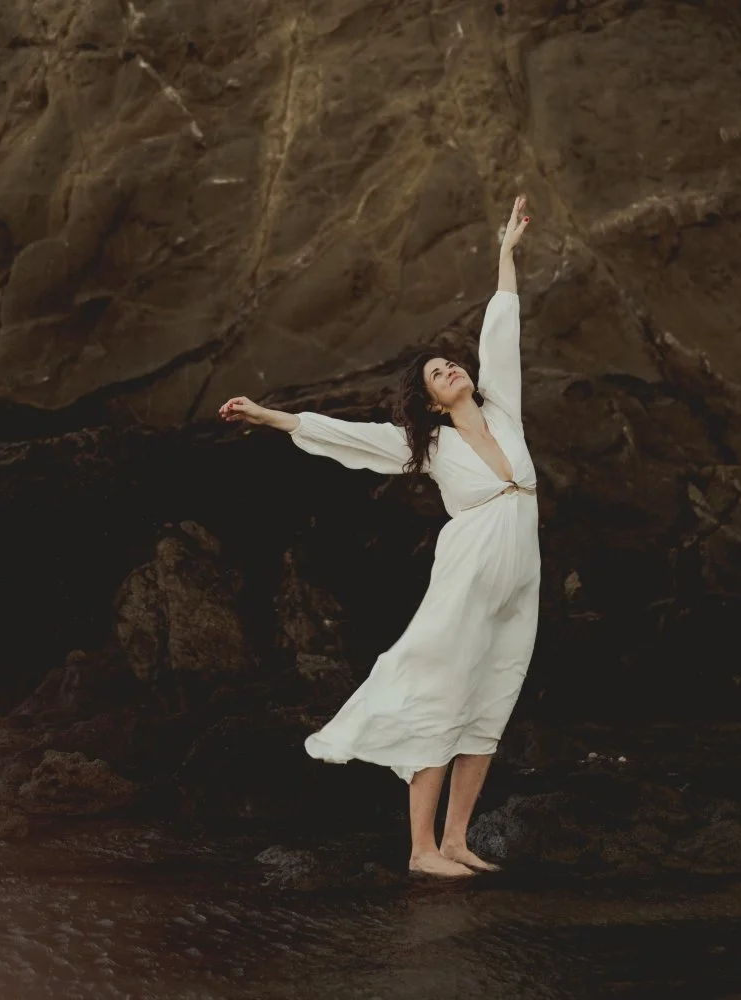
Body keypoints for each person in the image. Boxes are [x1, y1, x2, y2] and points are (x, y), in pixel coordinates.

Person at [219, 196, 538, 878]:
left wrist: (506, 255)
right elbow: (349, 437)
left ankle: (456, 841)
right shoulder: (428, 446)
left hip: (521, 577)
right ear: (428, 401)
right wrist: (269, 418)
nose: (452, 367)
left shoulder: (503, 412)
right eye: (437, 372)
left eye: (453, 362)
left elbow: (502, 332)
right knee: (444, 699)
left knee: (491, 707)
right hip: (471, 574)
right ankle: (422, 850)